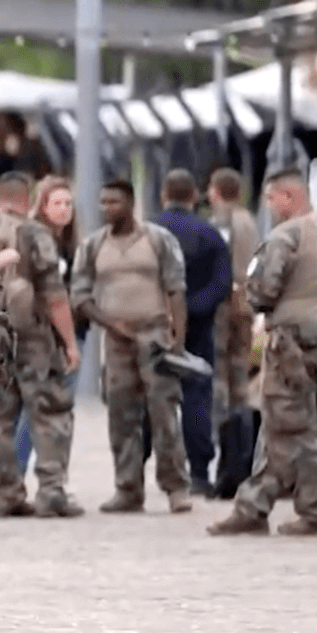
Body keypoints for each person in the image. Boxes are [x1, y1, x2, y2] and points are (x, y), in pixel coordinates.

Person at [208, 169, 317, 537]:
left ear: (288, 198)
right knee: (282, 423)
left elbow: (262, 290)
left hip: (292, 343)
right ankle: (257, 503)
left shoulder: (287, 235)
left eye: (271, 198)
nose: (268, 206)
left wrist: (252, 300)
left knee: (293, 426)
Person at [68, 178, 193, 515]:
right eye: (103, 202)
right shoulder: (93, 246)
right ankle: (128, 488)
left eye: (114, 202)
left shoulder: (158, 240)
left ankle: (176, 487)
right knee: (121, 416)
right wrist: (111, 323)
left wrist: (178, 341)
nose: (107, 208)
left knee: (164, 413)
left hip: (155, 336)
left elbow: (176, 289)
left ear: (131, 203)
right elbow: (80, 296)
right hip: (117, 342)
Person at [0, 172, 83, 518]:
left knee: (0, 418)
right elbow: (53, 294)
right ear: (28, 198)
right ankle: (51, 491)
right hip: (32, 338)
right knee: (49, 411)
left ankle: (5, 493)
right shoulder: (35, 233)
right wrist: (70, 342)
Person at [149, 170, 231, 494]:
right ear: (194, 196)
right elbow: (223, 282)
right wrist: (196, 309)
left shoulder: (148, 232)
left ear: (163, 194)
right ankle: (198, 474)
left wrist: (164, 312)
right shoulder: (210, 234)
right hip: (199, 328)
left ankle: (134, 476)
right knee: (197, 396)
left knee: (149, 399)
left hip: (153, 327)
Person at [208, 167, 260, 495]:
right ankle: (246, 451)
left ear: (216, 191)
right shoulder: (250, 219)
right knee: (243, 380)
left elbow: (220, 264)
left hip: (226, 305)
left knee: (221, 381)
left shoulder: (223, 220)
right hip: (248, 303)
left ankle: (228, 456)